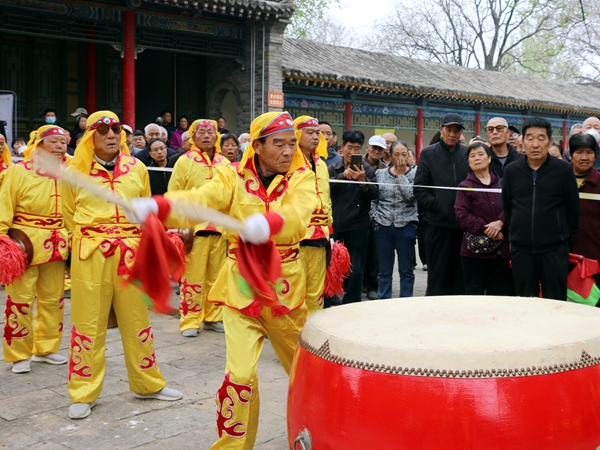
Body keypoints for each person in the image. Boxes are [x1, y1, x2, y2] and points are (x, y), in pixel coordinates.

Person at [125, 111, 317, 450]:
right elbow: (202, 200)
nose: (288, 151)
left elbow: (300, 212)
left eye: (292, 143)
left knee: (306, 374)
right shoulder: (232, 176)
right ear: (257, 146)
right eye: (278, 144)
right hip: (240, 288)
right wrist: (160, 206)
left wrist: (271, 223)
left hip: (284, 289)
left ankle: (324, 434)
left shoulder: (302, 176)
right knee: (239, 376)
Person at [62, 110, 182, 419]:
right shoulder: (75, 170)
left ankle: (147, 383)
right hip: (91, 252)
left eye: (116, 129)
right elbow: (66, 214)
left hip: (131, 251)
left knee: (137, 319)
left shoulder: (136, 167)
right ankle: (83, 391)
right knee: (88, 322)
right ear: (90, 136)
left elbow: (145, 209)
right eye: (103, 131)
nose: (111, 135)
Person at [0, 125, 70, 374]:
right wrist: (1, 236)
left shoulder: (69, 173)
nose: (60, 146)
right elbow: (5, 203)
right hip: (23, 245)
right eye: (54, 142)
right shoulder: (18, 171)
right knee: (20, 300)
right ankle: (19, 354)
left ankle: (46, 348)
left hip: (57, 244)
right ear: (39, 145)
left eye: (63, 142)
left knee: (54, 300)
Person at [502, 117, 580, 301]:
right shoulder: (512, 171)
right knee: (524, 301)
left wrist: (562, 236)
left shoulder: (563, 170)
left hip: (554, 249)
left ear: (550, 141)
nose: (535, 144)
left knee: (555, 301)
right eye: (530, 138)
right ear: (523, 141)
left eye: (541, 138)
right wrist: (517, 233)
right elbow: (507, 206)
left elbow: (573, 207)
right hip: (522, 249)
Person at [168, 119, 230, 337]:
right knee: (192, 276)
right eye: (201, 132)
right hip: (194, 229)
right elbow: (174, 193)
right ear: (193, 137)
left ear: (217, 136)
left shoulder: (225, 163)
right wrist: (177, 227)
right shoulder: (184, 161)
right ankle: (190, 320)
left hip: (220, 228)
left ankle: (213, 317)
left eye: (210, 132)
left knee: (217, 277)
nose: (206, 136)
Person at [414, 113, 469, 296]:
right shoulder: (429, 153)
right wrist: (437, 205)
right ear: (441, 129)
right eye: (448, 130)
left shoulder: (467, 154)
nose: (452, 134)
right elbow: (419, 188)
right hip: (438, 224)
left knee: (461, 275)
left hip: (463, 226)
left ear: (461, 132)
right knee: (438, 274)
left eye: (456, 130)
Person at [454, 142, 513, 296]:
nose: (477, 158)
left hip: (502, 251)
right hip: (474, 253)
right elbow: (462, 216)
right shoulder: (465, 186)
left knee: (500, 295)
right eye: (472, 156)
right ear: (468, 162)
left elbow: (513, 206)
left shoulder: (503, 183)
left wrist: (500, 222)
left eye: (481, 154)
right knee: (475, 295)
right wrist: (489, 229)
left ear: (489, 158)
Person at [329, 130, 379, 303]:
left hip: (359, 226)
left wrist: (363, 181)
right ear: (342, 147)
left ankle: (352, 302)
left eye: (357, 148)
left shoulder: (367, 170)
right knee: (334, 266)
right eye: (349, 147)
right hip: (336, 226)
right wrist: (342, 176)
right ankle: (332, 297)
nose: (352, 151)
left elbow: (375, 194)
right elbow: (324, 189)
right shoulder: (333, 168)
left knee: (356, 269)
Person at [295, 116, 332, 314]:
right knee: (294, 289)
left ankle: (312, 327)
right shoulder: (288, 163)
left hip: (320, 236)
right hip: (296, 237)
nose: (316, 137)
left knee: (316, 291)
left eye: (318, 133)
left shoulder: (322, 165)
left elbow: (327, 198)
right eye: (309, 133)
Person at [371, 141, 417, 298]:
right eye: (396, 154)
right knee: (384, 270)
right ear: (390, 157)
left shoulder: (414, 174)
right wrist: (374, 217)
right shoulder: (380, 174)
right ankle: (384, 299)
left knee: (406, 269)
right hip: (383, 224)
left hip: (406, 225)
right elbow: (374, 198)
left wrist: (401, 175)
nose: (401, 158)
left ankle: (405, 300)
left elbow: (410, 196)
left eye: (404, 154)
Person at [570, 133, 600, 287]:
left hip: (594, 258)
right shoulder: (560, 180)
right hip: (562, 257)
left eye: (589, 152)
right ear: (570, 155)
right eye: (579, 152)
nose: (584, 157)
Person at [362, 135, 387, 299]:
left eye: (380, 149)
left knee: (374, 253)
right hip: (358, 214)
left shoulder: (385, 169)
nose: (376, 151)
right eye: (374, 148)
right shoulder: (357, 163)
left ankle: (372, 285)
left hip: (377, 217)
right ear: (368, 148)